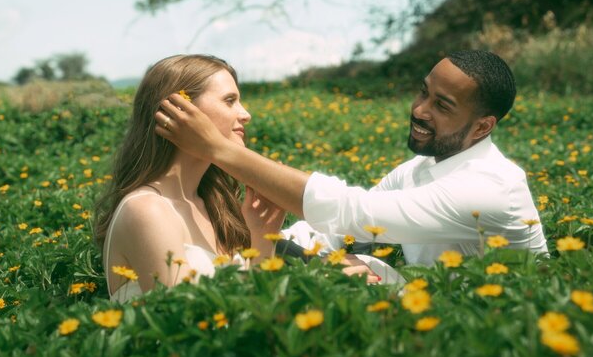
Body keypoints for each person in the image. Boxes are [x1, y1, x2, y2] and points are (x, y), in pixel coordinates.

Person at [155, 50, 548, 267]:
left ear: (482, 127)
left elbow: (352, 212)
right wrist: (253, 246)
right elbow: (341, 233)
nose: (420, 110)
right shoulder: (420, 169)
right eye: (423, 93)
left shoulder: (487, 188)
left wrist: (219, 149)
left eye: (442, 105)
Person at [94, 54, 287, 302]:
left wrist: (261, 236)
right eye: (230, 101)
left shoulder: (215, 203)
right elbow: (186, 323)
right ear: (180, 110)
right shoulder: (147, 209)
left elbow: (254, 308)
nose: (245, 114)